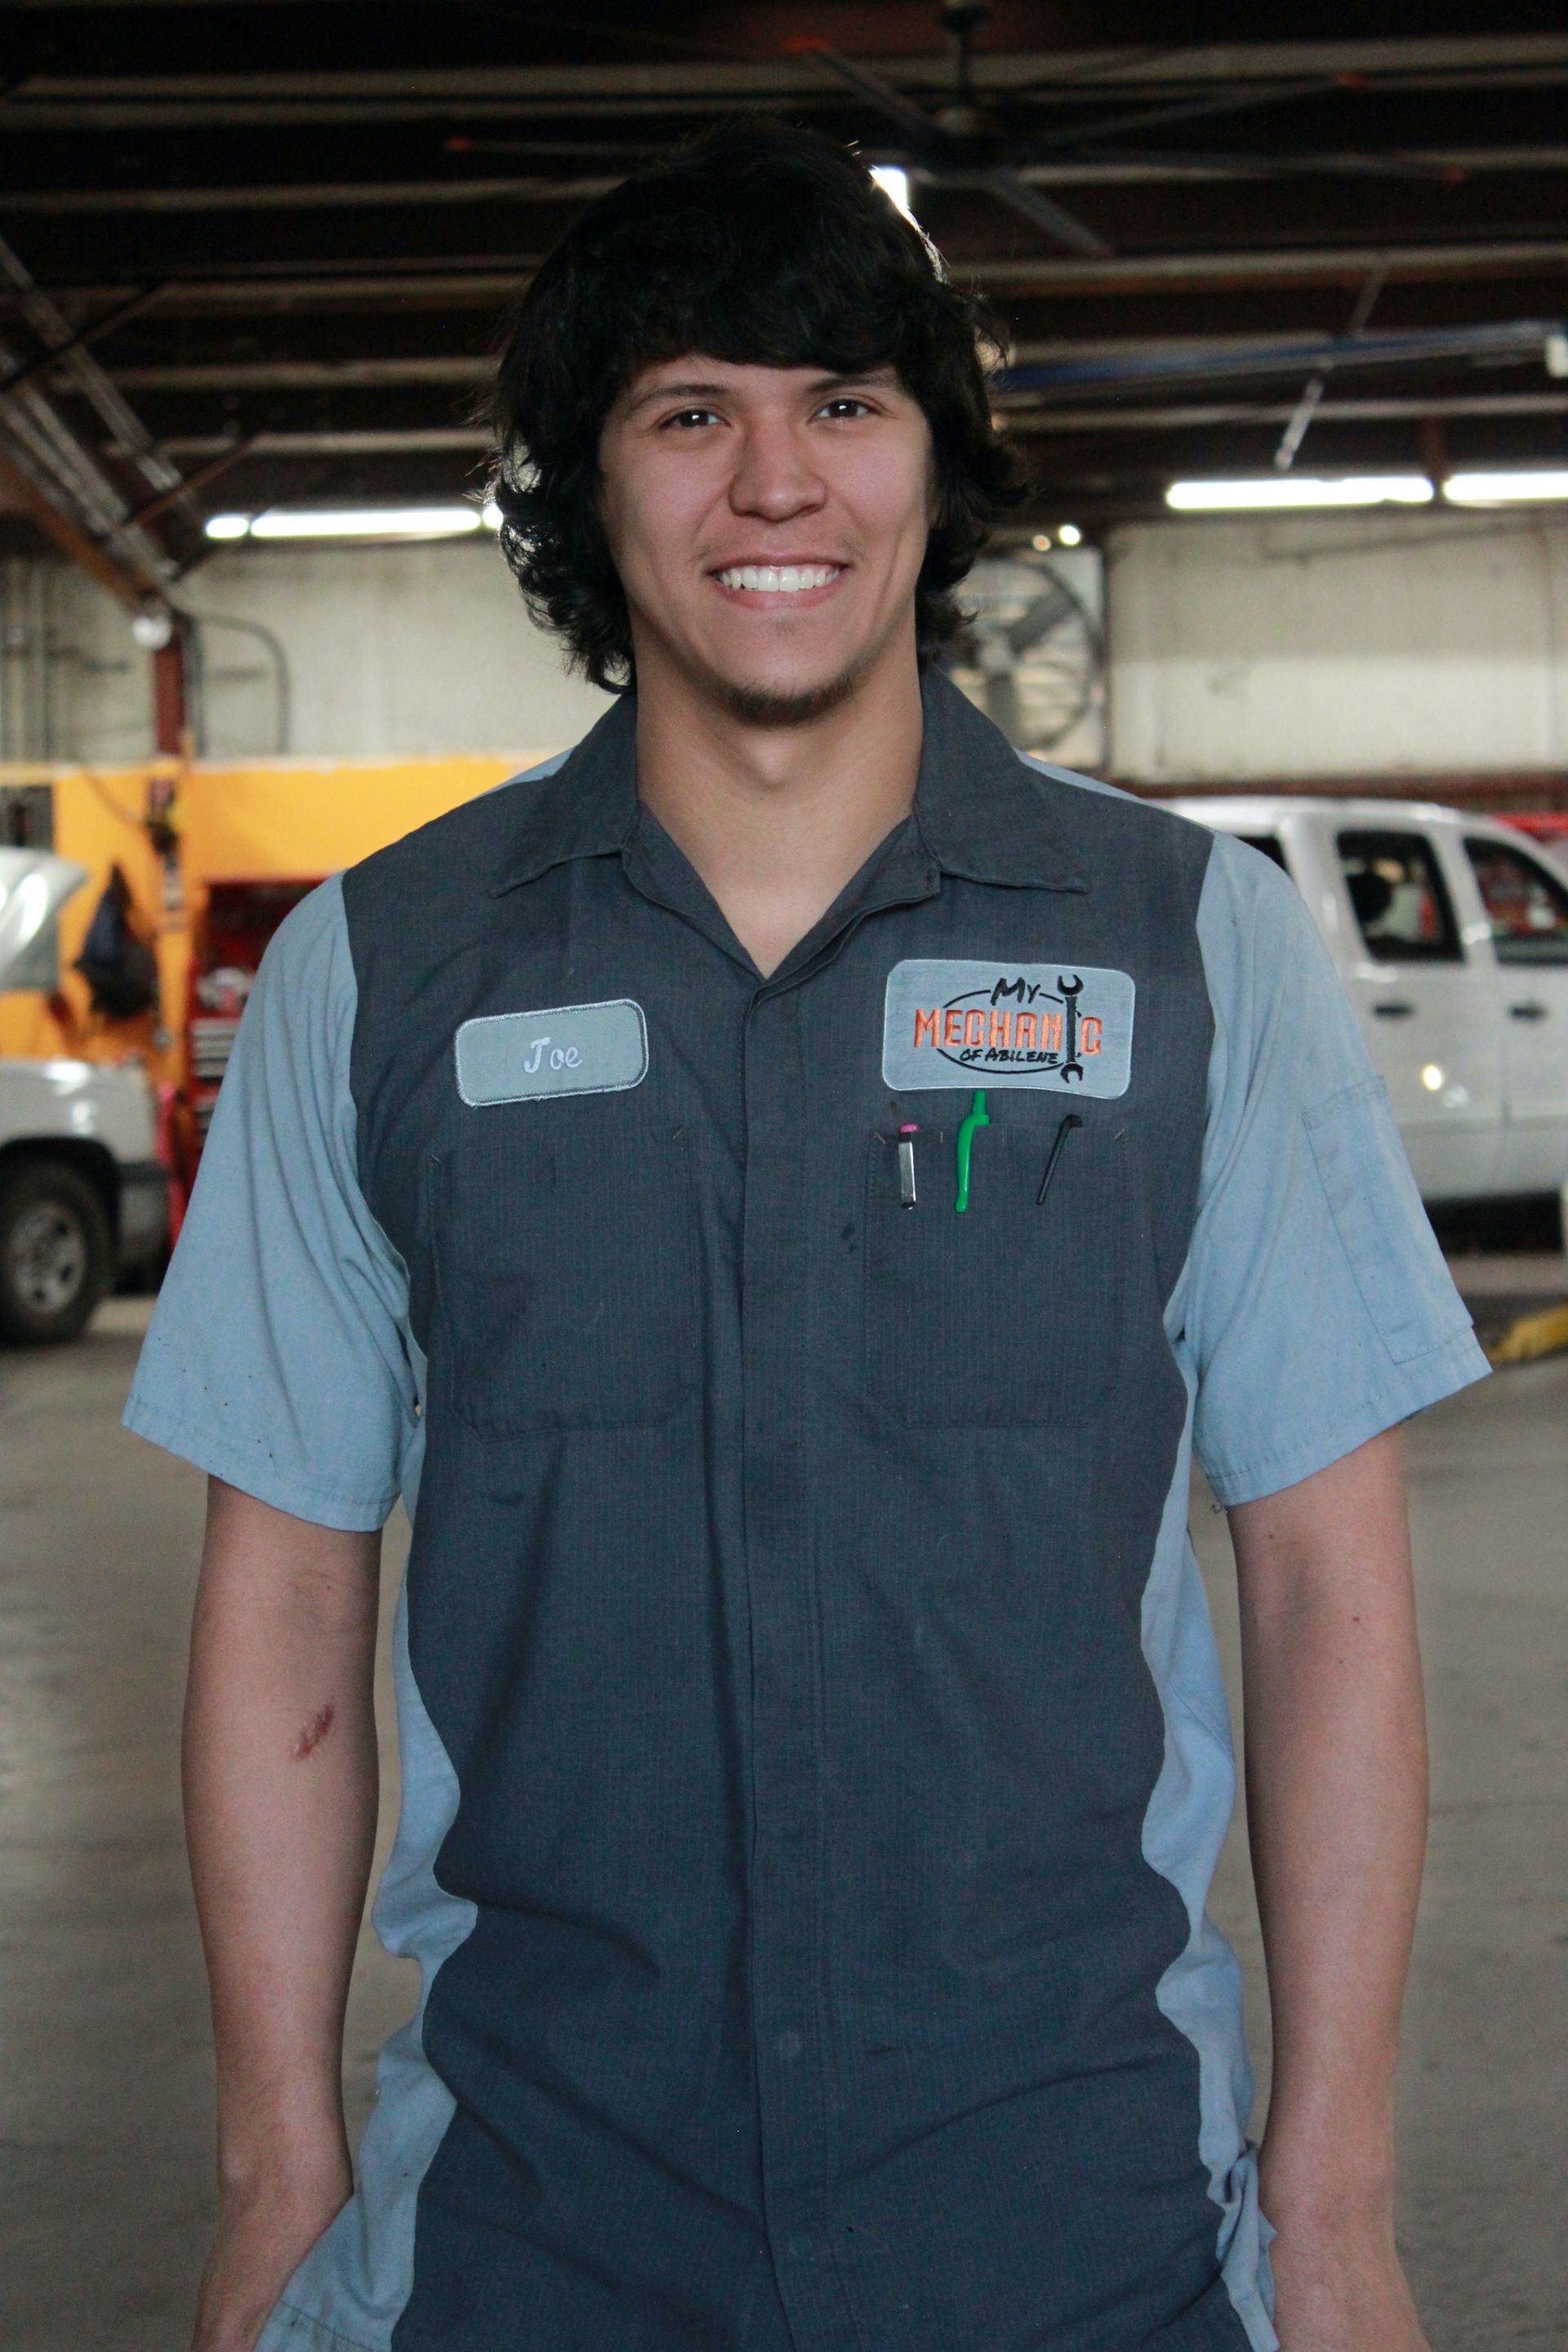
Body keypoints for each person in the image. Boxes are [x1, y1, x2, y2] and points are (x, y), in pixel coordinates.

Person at [126, 120, 1489, 2352]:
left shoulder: (1194, 952)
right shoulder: (387, 976)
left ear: (937, 471)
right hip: (534, 2231)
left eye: (845, 405)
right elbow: (284, 1588)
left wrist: (1332, 2211)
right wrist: (279, 2178)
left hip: (1084, 2221)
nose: (778, 485)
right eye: (692, 411)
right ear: (592, 483)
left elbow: (1329, 1584)